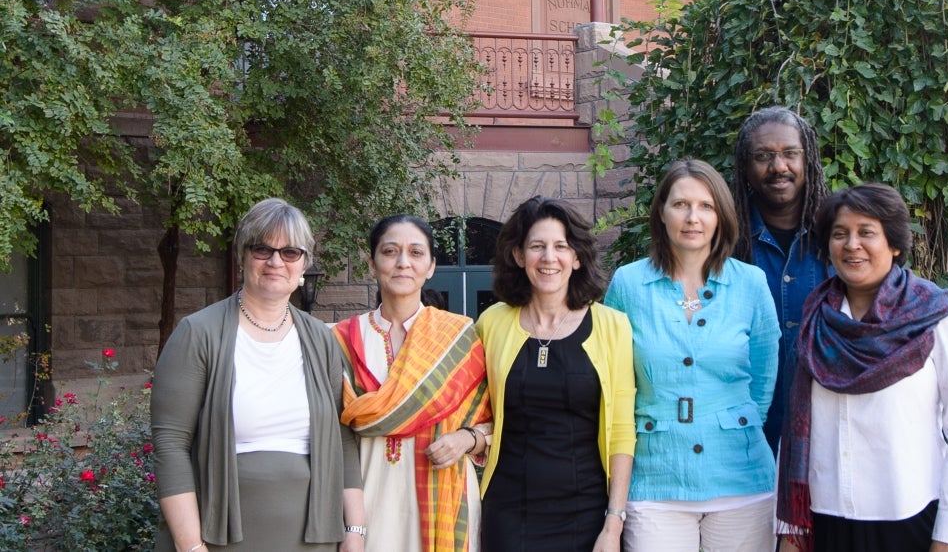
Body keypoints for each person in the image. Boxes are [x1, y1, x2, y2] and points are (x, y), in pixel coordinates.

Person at [777, 183, 948, 552]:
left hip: (908, 520)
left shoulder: (938, 318)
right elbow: (796, 423)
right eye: (840, 234)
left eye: (866, 233)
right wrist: (789, 529)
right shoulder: (816, 317)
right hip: (822, 520)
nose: (852, 244)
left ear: (893, 243)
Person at [151, 197, 365, 552]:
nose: (276, 261)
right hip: (217, 538)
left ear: (304, 265)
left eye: (290, 252)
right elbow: (170, 445)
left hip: (313, 537)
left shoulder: (322, 341)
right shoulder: (198, 334)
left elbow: (343, 440)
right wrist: (191, 547)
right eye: (262, 249)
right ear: (242, 256)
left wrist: (355, 531)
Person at [605, 159, 780, 552]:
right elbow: (615, 383)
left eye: (705, 206)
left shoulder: (750, 284)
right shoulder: (628, 285)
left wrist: (730, 427)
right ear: (662, 212)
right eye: (681, 204)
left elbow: (765, 379)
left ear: (721, 216)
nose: (692, 217)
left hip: (741, 475)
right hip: (655, 476)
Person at [475, 196, 635, 552]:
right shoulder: (492, 324)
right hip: (507, 510)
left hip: (586, 511)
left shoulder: (612, 327)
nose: (549, 258)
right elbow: (478, 413)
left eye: (561, 246)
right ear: (519, 256)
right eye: (537, 246)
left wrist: (613, 522)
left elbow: (623, 432)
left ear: (577, 258)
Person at [333, 215, 491, 552]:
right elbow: (332, 436)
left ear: (431, 266)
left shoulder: (460, 337)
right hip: (364, 509)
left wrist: (466, 439)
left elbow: (494, 425)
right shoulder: (341, 340)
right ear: (372, 262)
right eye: (390, 251)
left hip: (443, 504)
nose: (403, 262)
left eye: (416, 253)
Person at [732, 106, 831, 455]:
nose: (778, 167)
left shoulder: (838, 238)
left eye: (790, 153)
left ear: (809, 160)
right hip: (744, 434)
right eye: (763, 156)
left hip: (828, 431)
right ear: (745, 166)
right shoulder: (723, 242)